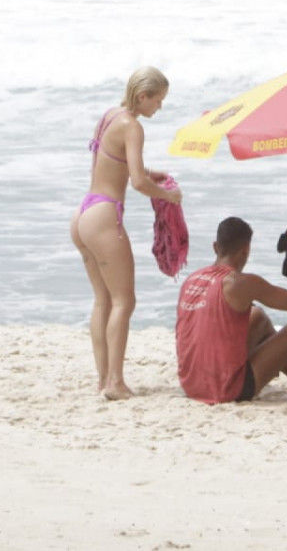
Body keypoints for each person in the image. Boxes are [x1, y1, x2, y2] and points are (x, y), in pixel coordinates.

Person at [70, 67, 181, 400]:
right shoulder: (133, 126)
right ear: (142, 96)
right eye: (158, 101)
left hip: (84, 213)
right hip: (105, 216)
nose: (158, 108)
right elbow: (137, 183)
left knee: (103, 300)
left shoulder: (110, 116)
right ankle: (116, 382)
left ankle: (104, 379)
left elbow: (112, 160)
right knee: (124, 301)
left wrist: (151, 172)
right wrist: (168, 196)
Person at [175, 218, 287, 405]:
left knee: (258, 317)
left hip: (191, 384)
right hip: (226, 389)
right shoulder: (239, 282)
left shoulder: (191, 280)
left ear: (215, 247)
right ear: (246, 250)